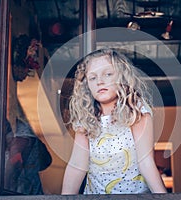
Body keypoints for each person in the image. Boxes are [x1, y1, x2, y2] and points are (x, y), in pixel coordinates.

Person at [61, 48, 167, 194]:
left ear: (122, 78)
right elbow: (77, 165)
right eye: (92, 78)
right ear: (86, 85)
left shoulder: (136, 111)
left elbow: (145, 162)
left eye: (108, 74)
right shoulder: (86, 118)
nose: (99, 81)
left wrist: (164, 197)